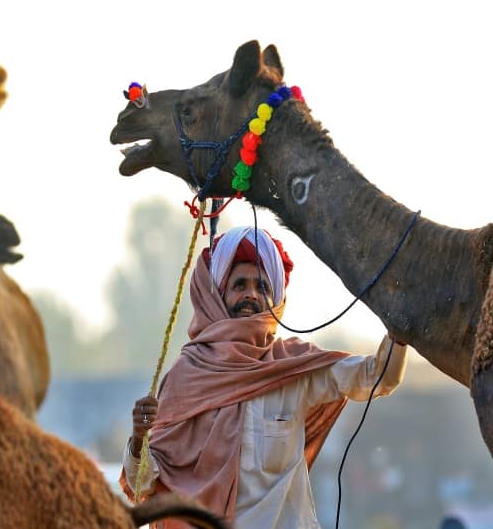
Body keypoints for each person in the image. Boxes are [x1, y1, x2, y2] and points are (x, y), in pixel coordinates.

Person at [120, 226, 408, 529]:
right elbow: (144, 487)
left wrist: (399, 322)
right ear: (218, 295)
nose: (251, 295)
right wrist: (140, 437)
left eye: (262, 287)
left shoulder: (294, 366)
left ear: (275, 299)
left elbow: (379, 377)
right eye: (240, 284)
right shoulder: (186, 377)